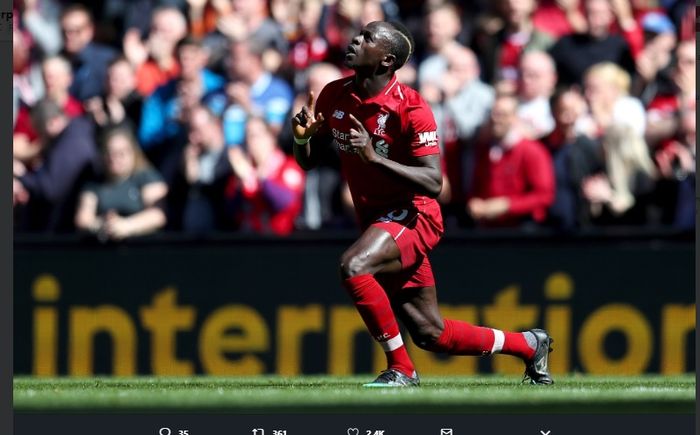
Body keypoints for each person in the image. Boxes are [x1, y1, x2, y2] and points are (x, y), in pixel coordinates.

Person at [291, 21, 554, 387]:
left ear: (386, 61)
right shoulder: (334, 94)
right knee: (431, 332)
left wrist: (374, 158)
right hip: (377, 221)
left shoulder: (411, 108)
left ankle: (401, 369)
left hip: (415, 215)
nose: (355, 40)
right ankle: (528, 345)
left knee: (353, 265)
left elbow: (434, 182)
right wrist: (301, 140)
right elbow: (309, 161)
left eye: (367, 38)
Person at [75, 128, 168, 241]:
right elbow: (83, 219)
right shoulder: (95, 183)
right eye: (110, 153)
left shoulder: (146, 177)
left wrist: (125, 226)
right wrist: (103, 225)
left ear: (133, 153)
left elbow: (158, 215)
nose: (114, 158)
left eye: (121, 153)